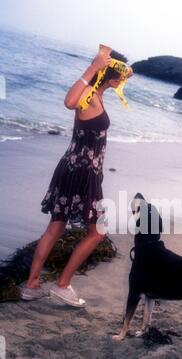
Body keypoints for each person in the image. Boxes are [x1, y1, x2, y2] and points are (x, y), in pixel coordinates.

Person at [20, 48, 132, 307]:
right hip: (84, 174)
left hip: (72, 169)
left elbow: (123, 76)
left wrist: (121, 68)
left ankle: (32, 285)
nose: (123, 81)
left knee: (56, 227)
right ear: (107, 76)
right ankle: (62, 285)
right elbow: (69, 101)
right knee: (97, 232)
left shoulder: (98, 94)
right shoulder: (89, 97)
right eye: (120, 76)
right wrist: (93, 66)